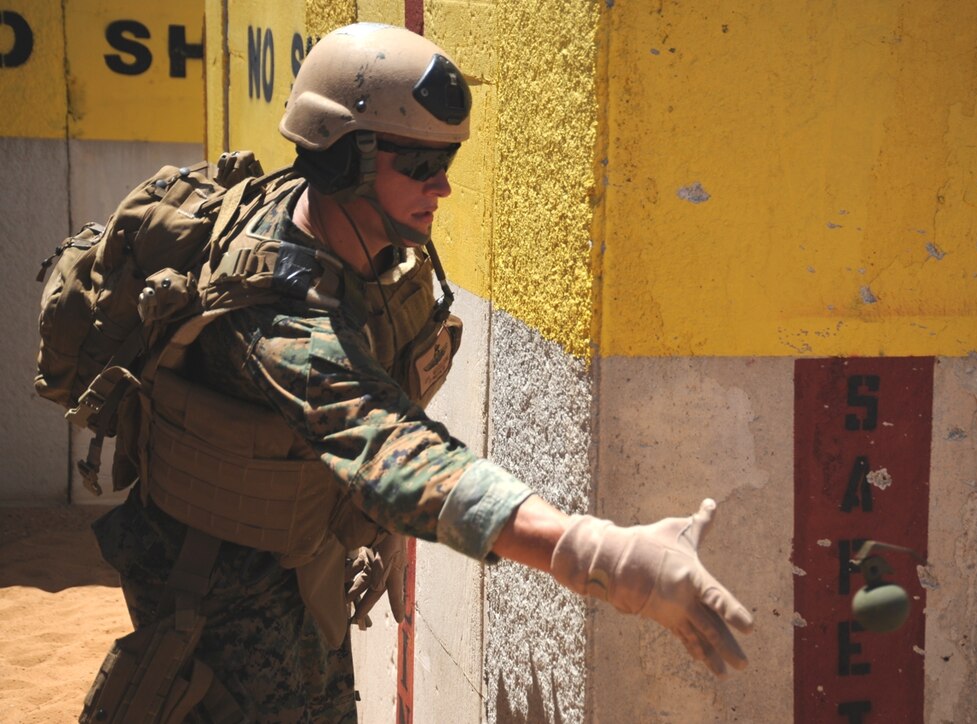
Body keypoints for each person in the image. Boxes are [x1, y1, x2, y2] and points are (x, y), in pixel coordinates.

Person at [89, 22, 753, 722]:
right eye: (418, 165)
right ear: (345, 159)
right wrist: (597, 553)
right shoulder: (280, 314)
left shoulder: (348, 235)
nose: (441, 187)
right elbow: (388, 447)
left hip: (290, 562)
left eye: (447, 162)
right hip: (215, 590)